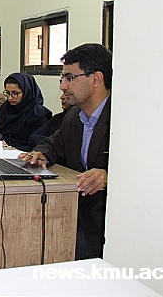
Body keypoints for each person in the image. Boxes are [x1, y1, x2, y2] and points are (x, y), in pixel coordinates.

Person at [19, 43, 112, 260]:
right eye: (62, 79)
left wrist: (109, 176)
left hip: (104, 224)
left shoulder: (121, 117)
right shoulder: (74, 116)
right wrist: (40, 153)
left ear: (96, 79)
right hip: (72, 211)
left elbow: (145, 171)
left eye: (70, 78)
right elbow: (54, 143)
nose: (62, 86)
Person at [0, 73, 51, 151]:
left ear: (27, 92)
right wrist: (0, 141)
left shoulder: (39, 113)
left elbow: (38, 143)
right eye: (7, 93)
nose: (10, 98)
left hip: (26, 153)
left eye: (15, 93)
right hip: (3, 150)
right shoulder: (5, 107)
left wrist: (14, 148)